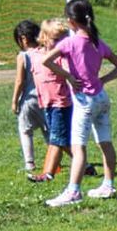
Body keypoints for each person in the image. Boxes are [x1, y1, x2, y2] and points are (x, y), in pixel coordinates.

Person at [38, 0, 117, 207]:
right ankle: (108, 185)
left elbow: (46, 60)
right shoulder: (98, 43)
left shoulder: (69, 43)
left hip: (84, 102)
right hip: (101, 98)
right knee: (105, 143)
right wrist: (102, 80)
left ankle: (73, 191)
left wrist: (68, 76)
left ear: (71, 21)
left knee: (79, 148)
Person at [27, 18, 73, 183]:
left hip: (61, 103)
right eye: (56, 39)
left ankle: (48, 174)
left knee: (56, 140)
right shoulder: (35, 55)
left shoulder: (62, 56)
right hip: (46, 103)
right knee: (62, 139)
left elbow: (69, 71)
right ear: (44, 37)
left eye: (64, 39)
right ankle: (84, 164)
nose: (61, 43)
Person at [8, 20, 45, 174]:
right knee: (48, 130)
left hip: (29, 99)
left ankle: (29, 163)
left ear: (23, 39)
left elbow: (20, 80)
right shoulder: (44, 52)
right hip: (46, 97)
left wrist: (14, 101)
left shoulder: (23, 56)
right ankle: (54, 161)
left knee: (25, 130)